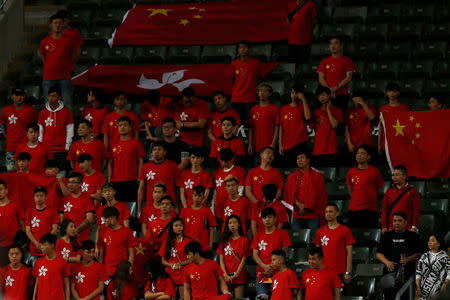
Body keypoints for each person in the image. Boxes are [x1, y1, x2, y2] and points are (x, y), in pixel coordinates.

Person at [376, 211, 423, 300]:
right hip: (389, 273)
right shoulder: (387, 235)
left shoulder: (413, 236)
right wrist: (387, 262)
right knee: (388, 297)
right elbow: (378, 253)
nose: (396, 223)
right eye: (394, 221)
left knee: (405, 296)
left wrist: (408, 259)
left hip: (407, 273)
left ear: (405, 222)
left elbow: (420, 254)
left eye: (399, 221)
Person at [251, 207, 292, 299]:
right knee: (262, 298)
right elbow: (255, 254)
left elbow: (285, 254)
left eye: (269, 217)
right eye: (264, 217)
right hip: (262, 273)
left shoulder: (283, 234)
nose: (267, 220)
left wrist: (274, 266)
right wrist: (264, 266)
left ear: (275, 218)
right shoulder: (258, 235)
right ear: (261, 220)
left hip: (279, 273)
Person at [40, 14, 76, 110]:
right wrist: (49, 65)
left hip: (64, 77)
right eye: (55, 23)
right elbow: (42, 55)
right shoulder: (45, 41)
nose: (58, 25)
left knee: (67, 104)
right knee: (48, 105)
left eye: (60, 23)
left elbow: (73, 56)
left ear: (63, 25)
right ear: (51, 25)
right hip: (48, 77)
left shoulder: (68, 41)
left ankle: (69, 125)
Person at [284, 151, 327, 230]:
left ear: (308, 160)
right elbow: (289, 194)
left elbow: (320, 195)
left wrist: (306, 207)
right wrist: (299, 205)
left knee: (314, 240)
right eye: (298, 158)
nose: (299, 160)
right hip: (297, 214)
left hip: (313, 214)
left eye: (302, 158)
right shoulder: (291, 177)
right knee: (297, 241)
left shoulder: (318, 176)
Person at [313, 203, 354, 284]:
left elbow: (349, 253)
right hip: (323, 270)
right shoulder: (320, 231)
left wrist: (347, 272)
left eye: (331, 211)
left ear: (337, 213)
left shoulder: (345, 230)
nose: (328, 214)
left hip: (339, 272)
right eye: (326, 212)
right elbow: (316, 254)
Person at [107, 116, 145, 203]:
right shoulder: (113, 144)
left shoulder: (136, 143)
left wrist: (139, 178)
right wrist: (109, 179)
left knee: (132, 207)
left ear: (130, 127)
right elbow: (110, 163)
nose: (122, 127)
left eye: (125, 125)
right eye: (120, 125)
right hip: (116, 181)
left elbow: (140, 162)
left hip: (132, 180)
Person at [346, 145, 384, 228]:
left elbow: (380, 190)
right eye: (358, 153)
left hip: (369, 210)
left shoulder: (375, 171)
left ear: (368, 157)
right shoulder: (351, 172)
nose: (359, 155)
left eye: (362, 153)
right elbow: (350, 190)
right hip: (353, 210)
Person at [38, 86, 74, 172]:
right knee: (47, 174)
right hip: (46, 149)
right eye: (49, 96)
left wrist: (67, 146)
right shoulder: (43, 112)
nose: (51, 98)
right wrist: (40, 146)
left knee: (61, 175)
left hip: (61, 150)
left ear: (59, 97)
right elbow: (40, 130)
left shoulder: (67, 112)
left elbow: (70, 130)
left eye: (53, 96)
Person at [0, 87, 37, 171]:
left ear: (24, 96)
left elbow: (35, 128)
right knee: (11, 172)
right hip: (11, 148)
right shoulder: (5, 110)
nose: (19, 97)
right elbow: (2, 126)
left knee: (27, 173)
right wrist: (8, 137)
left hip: (26, 147)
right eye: (16, 95)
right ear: (12, 96)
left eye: (21, 95)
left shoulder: (30, 110)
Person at [138, 141, 179, 216]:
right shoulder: (145, 167)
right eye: (154, 149)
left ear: (165, 152)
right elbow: (141, 189)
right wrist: (139, 210)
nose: (156, 151)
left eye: (159, 149)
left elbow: (177, 188)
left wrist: (176, 206)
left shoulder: (173, 165)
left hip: (168, 206)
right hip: (150, 205)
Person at [317, 36, 355, 114]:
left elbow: (348, 78)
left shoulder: (348, 61)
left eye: (336, 43)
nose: (333, 46)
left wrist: (335, 88)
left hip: (342, 95)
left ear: (341, 46)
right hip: (327, 96)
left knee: (340, 120)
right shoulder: (324, 61)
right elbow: (321, 78)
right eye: (331, 44)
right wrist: (329, 90)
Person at [217, 215, 250, 298]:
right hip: (226, 277)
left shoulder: (244, 240)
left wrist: (236, 274)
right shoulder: (223, 240)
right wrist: (225, 274)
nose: (232, 225)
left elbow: (244, 259)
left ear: (239, 224)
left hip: (239, 276)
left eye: (234, 222)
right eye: (230, 223)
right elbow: (221, 259)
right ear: (227, 225)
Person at [279, 83, 311, 167]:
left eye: (296, 93)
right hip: (286, 144)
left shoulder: (303, 106)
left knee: (301, 168)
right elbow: (281, 128)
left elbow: (308, 117)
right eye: (292, 92)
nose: (293, 95)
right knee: (289, 168)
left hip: (300, 142)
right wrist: (280, 144)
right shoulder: (283, 109)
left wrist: (303, 99)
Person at [381, 165, 420, 233]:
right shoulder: (389, 191)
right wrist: (384, 226)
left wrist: (414, 226)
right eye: (393, 175)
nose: (394, 177)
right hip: (391, 228)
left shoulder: (413, 191)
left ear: (404, 176)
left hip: (407, 228)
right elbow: (384, 210)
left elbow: (416, 211)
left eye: (397, 175)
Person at [98, 207, 135, 278]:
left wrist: (129, 269)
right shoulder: (103, 231)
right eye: (103, 218)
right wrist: (100, 270)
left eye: (106, 218)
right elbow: (102, 253)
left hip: (122, 271)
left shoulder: (127, 232)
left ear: (113, 218)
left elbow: (131, 253)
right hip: (107, 271)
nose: (104, 221)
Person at [245, 147, 283, 216]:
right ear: (261, 155)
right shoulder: (251, 172)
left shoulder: (277, 173)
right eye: (268, 152)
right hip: (255, 209)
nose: (270, 155)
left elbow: (279, 192)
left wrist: (268, 204)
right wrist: (258, 203)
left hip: (271, 210)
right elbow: (247, 191)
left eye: (272, 154)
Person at [158, 217, 191, 299]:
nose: (179, 227)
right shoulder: (167, 242)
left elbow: (191, 259)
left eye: (181, 225)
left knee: (184, 297)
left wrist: (180, 264)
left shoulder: (188, 241)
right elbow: (163, 261)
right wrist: (171, 265)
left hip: (184, 272)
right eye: (176, 225)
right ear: (172, 228)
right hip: (170, 273)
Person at [231, 40, 262, 123]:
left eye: (245, 47)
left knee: (250, 124)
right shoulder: (234, 64)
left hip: (250, 99)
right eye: (240, 47)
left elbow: (259, 78)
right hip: (236, 98)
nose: (242, 49)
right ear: (238, 50)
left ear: (249, 49)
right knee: (234, 124)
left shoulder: (256, 63)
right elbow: (232, 79)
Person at [311, 86, 343, 166]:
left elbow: (334, 125)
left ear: (329, 95)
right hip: (318, 149)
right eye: (319, 96)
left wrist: (328, 110)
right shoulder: (315, 112)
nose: (321, 97)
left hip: (331, 148)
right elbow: (312, 127)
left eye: (323, 94)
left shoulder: (337, 110)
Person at [32, 233, 71, 300]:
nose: (41, 247)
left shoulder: (62, 262)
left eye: (44, 245)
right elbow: (37, 283)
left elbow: (66, 285)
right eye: (41, 244)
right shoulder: (38, 262)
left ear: (52, 246)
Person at [59, 172, 94, 241]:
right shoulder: (64, 200)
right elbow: (61, 219)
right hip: (67, 240)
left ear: (80, 184)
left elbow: (89, 219)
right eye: (69, 182)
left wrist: (76, 230)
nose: (70, 185)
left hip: (83, 239)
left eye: (73, 182)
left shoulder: (87, 198)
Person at [25, 186, 59, 258]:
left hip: (48, 249)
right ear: (34, 197)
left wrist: (45, 245)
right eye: (37, 196)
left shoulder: (52, 211)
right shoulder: (29, 212)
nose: (39, 198)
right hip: (34, 249)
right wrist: (37, 243)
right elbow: (28, 231)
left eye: (41, 195)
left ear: (46, 197)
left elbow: (55, 229)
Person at [180, 185, 216, 252]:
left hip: (203, 246)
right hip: (187, 246)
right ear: (192, 196)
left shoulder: (207, 211)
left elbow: (211, 229)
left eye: (200, 196)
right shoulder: (184, 211)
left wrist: (210, 245)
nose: (197, 198)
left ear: (203, 197)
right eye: (195, 195)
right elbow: (180, 229)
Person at [248, 83, 280, 157]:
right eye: (260, 91)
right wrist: (250, 144)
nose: (262, 93)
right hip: (256, 147)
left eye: (265, 91)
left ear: (270, 94)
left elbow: (277, 128)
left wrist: (273, 144)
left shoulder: (275, 109)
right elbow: (250, 128)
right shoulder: (253, 110)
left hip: (269, 147)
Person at [213, 149, 245, 222]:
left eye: (226, 161)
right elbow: (215, 191)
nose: (224, 163)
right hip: (219, 206)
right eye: (222, 160)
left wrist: (237, 205)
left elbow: (240, 190)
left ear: (232, 159)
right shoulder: (217, 172)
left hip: (232, 206)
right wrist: (213, 205)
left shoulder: (238, 171)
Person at [378, 81, 409, 156]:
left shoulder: (404, 108)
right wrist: (379, 144)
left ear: (398, 93)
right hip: (386, 143)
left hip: (400, 142)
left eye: (394, 91)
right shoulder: (383, 109)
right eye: (389, 91)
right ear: (386, 93)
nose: (391, 93)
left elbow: (408, 126)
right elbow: (380, 127)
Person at [416, 234, 450, 300]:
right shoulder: (424, 256)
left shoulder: (445, 257)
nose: (429, 242)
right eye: (429, 241)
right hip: (423, 291)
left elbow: (449, 272)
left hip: (438, 291)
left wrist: (445, 283)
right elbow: (418, 272)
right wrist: (417, 286)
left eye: (432, 241)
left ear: (438, 244)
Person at [287, 0, 317, 65]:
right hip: (292, 41)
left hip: (305, 41)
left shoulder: (310, 4)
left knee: (304, 65)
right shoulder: (290, 4)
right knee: (292, 65)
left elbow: (314, 21)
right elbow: (288, 20)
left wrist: (306, 30)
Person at [0, 180, 24, 252]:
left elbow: (23, 226)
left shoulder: (15, 205)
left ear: (6, 190)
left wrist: (24, 240)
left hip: (14, 245)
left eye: (1, 189)